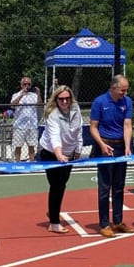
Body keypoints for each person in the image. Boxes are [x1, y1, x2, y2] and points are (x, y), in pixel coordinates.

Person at [89, 75, 134, 238]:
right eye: (122, 90)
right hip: (105, 146)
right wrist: (102, 145)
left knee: (119, 186)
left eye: (126, 90)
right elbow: (93, 127)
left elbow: (127, 125)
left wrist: (128, 146)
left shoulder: (127, 102)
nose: (125, 93)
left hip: (121, 146)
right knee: (104, 187)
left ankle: (118, 221)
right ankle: (104, 224)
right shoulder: (100, 102)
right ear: (113, 88)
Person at [38, 85, 82, 233]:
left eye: (67, 98)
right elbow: (55, 136)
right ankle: (54, 222)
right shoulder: (52, 114)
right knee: (56, 185)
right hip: (50, 152)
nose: (64, 101)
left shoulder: (75, 110)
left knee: (62, 185)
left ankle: (53, 211)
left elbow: (78, 130)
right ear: (56, 99)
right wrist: (58, 155)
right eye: (61, 99)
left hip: (68, 153)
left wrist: (78, 149)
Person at [10, 76, 41, 162]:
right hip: (19, 125)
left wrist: (38, 94)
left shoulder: (34, 96)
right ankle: (17, 162)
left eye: (29, 84)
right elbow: (12, 105)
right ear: (21, 85)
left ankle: (31, 162)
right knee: (18, 145)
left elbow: (39, 105)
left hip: (32, 124)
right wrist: (21, 96)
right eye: (25, 84)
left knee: (31, 146)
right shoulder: (16, 95)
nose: (27, 86)